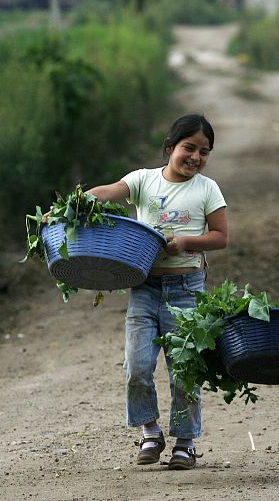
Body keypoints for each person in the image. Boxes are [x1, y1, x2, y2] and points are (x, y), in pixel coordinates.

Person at [84, 113, 227, 470]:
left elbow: (221, 236)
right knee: (137, 365)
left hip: (186, 289)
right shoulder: (143, 180)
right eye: (188, 148)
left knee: (184, 369)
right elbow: (110, 192)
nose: (195, 157)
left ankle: (185, 443)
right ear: (169, 148)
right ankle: (150, 432)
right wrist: (81, 201)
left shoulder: (207, 189)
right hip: (144, 287)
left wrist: (187, 242)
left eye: (204, 151)